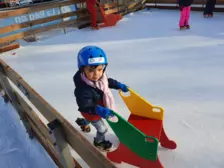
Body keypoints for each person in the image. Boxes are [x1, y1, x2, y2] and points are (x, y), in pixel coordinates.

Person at [73, 45, 129, 151]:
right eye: (91, 70)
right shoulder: (83, 89)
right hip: (92, 111)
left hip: (99, 108)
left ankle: (84, 122)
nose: (96, 74)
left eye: (99, 69)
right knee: (103, 129)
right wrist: (98, 110)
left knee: (90, 120)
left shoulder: (102, 79)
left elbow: (108, 82)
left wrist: (119, 85)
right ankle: (99, 141)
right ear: (82, 69)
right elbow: (85, 106)